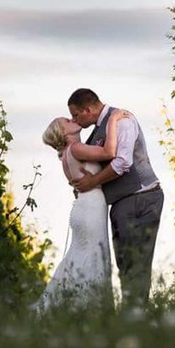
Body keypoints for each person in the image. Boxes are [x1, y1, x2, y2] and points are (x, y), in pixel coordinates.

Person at [68, 88, 164, 306]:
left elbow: (122, 163)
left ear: (88, 109)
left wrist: (93, 182)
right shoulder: (96, 131)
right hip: (122, 201)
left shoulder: (122, 120)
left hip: (141, 196)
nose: (74, 120)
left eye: (75, 115)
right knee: (125, 263)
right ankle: (131, 319)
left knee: (136, 263)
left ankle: (137, 319)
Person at [34, 110, 130, 313]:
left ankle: (68, 305)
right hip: (91, 208)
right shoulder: (76, 148)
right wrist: (113, 119)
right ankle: (88, 309)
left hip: (82, 207)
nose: (72, 120)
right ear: (63, 131)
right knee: (94, 255)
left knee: (79, 255)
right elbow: (109, 152)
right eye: (67, 121)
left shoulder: (67, 154)